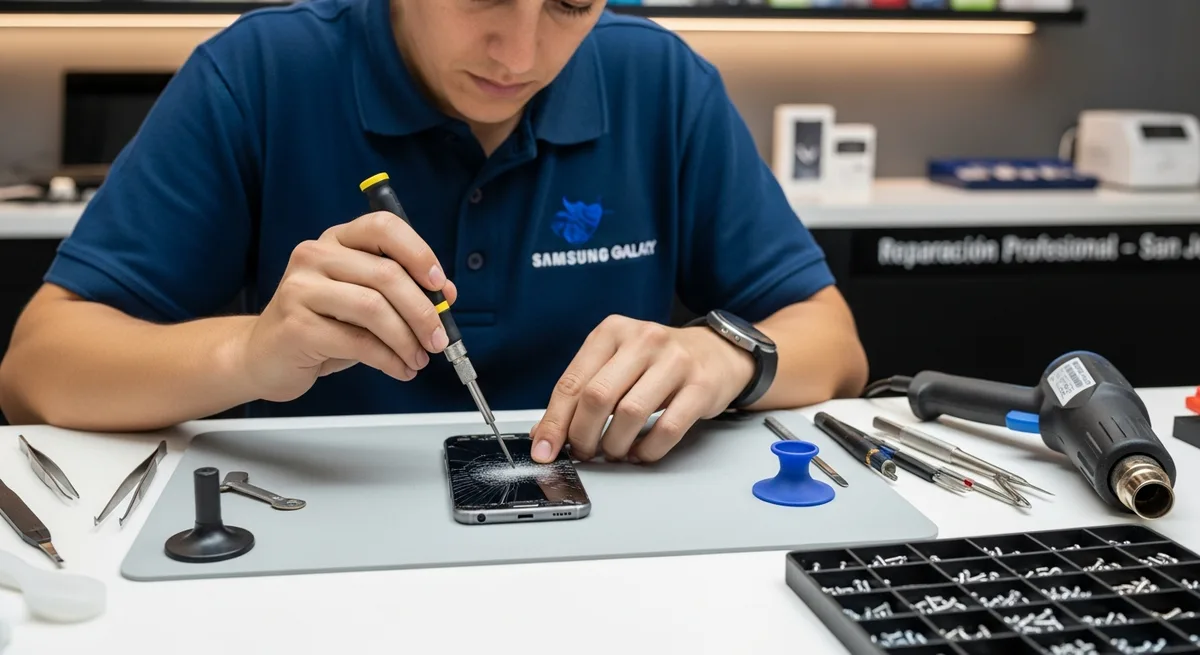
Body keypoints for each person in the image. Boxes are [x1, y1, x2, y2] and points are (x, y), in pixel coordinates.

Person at [0, 0, 868, 465]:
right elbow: (38, 371)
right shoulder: (260, 73)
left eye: (570, 2)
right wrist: (248, 357)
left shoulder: (662, 83)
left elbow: (831, 344)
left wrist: (722, 356)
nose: (519, 54)